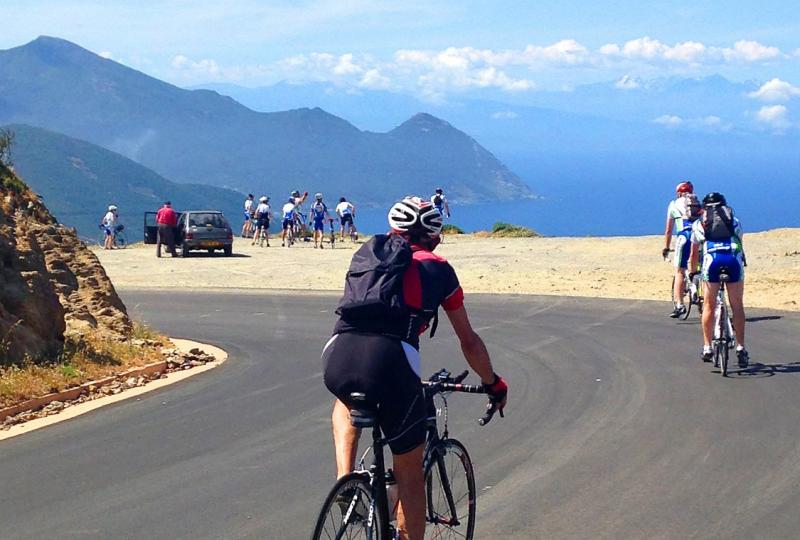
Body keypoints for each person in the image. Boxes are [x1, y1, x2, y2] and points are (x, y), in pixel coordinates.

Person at [322, 196, 508, 540]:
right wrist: (492, 382)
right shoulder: (438, 268)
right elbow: (468, 341)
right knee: (409, 471)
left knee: (347, 397)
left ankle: (345, 480)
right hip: (391, 360)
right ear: (433, 235)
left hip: (338, 354)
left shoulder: (368, 254)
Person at [689, 192, 749, 367]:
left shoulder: (699, 224)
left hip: (712, 262)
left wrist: (693, 272)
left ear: (705, 208)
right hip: (733, 260)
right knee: (737, 305)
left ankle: (707, 347)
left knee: (709, 305)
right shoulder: (734, 221)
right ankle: (740, 348)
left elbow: (694, 254)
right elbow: (740, 242)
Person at [663, 181, 701, 317]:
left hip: (684, 236)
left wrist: (666, 248)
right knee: (697, 264)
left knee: (680, 270)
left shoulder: (673, 205)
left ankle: (679, 305)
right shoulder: (697, 203)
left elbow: (668, 230)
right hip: (699, 235)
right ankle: (696, 286)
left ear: (678, 192)